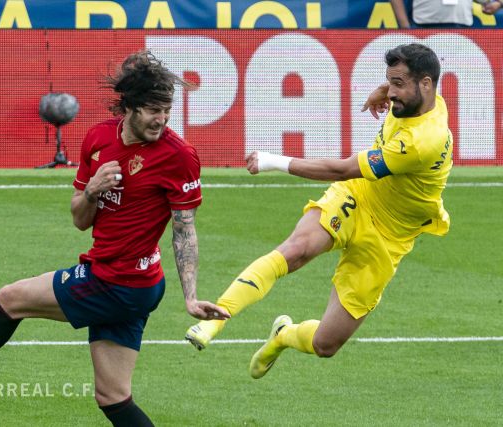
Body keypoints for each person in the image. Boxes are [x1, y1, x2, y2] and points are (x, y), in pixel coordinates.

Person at [0, 50, 229, 426]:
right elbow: (79, 220)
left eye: (167, 110)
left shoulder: (178, 155)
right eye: (154, 110)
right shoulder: (99, 138)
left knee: (11, 299)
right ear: (130, 107)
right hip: (129, 283)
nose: (163, 119)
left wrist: (190, 297)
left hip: (119, 282)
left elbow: (184, 228)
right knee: (113, 397)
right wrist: (92, 191)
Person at [185, 43, 452, 379]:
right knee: (296, 250)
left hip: (390, 237)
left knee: (327, 344)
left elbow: (340, 170)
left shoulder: (422, 142)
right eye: (391, 82)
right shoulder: (422, 99)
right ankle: (214, 321)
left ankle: (282, 336)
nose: (392, 92)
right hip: (358, 198)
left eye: (399, 84)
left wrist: (273, 161)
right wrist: (383, 91)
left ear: (425, 84)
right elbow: (399, 96)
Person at [390, 0, 500, 29]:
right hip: (424, 27)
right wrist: (405, 27)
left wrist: (499, 3)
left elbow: (488, 2)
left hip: (462, 29)